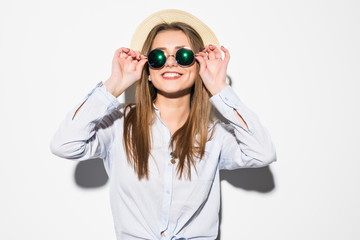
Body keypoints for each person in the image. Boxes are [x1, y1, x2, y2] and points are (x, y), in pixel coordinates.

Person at [50, 9, 277, 240]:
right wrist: (114, 85)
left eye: (183, 56)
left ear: (199, 67)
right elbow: (65, 145)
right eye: (158, 57)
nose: (170, 63)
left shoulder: (214, 135)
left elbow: (262, 153)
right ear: (148, 72)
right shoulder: (119, 125)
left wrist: (219, 88)